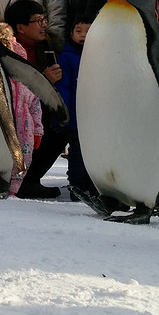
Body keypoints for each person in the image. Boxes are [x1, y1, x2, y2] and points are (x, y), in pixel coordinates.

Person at [3, 0, 63, 199]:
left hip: (35, 113)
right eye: (38, 21)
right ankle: (16, 180)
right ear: (20, 27)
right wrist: (43, 80)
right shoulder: (6, 49)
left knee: (59, 127)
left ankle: (31, 179)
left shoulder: (48, 47)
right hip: (11, 114)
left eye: (44, 19)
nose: (43, 25)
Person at [54, 18, 93, 196]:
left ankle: (92, 186)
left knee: (93, 154)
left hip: (94, 117)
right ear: (71, 34)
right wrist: (63, 114)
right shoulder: (67, 57)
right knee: (77, 154)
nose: (83, 35)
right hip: (76, 118)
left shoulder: (99, 56)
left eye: (88, 30)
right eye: (78, 31)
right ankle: (77, 188)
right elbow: (63, 89)